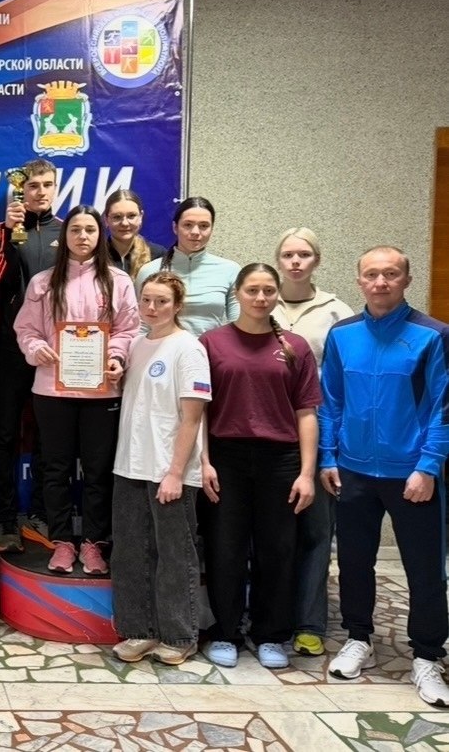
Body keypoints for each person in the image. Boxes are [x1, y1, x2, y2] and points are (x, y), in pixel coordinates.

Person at [320, 246, 449, 707]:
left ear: (406, 280)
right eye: (372, 275)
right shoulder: (342, 334)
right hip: (352, 471)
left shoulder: (433, 335)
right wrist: (327, 457)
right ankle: (359, 638)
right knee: (355, 562)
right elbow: (330, 401)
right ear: (359, 280)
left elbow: (443, 407)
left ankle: (427, 656)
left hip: (412, 475)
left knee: (425, 569)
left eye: (390, 274)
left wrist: (428, 466)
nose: (380, 282)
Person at [198, 263, 319, 670]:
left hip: (280, 461)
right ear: (238, 293)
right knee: (225, 548)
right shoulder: (211, 343)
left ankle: (271, 634)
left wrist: (306, 473)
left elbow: (306, 412)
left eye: (269, 290)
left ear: (277, 294)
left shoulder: (295, 347)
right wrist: (204, 461)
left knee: (277, 550)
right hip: (225, 457)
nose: (261, 297)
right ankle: (226, 631)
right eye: (252, 290)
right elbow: (198, 410)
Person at [13, 205, 139, 575]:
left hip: (102, 393)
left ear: (100, 236)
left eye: (90, 230)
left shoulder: (118, 281)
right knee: (55, 469)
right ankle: (63, 542)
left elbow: (129, 330)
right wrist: (36, 348)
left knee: (98, 470)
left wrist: (116, 357)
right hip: (52, 391)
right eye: (75, 230)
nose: (82, 236)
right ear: (64, 236)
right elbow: (26, 329)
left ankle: (95, 543)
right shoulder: (43, 282)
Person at [111, 271, 210, 666]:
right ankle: (140, 630)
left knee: (174, 555)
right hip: (130, 465)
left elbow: (192, 417)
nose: (152, 308)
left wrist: (175, 472)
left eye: (162, 301)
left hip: (169, 471)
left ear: (177, 305)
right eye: (147, 300)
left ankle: (179, 635)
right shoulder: (136, 345)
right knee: (131, 553)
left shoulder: (189, 348)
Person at [271, 228, 354, 658]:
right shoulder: (261, 301)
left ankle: (309, 623)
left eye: (304, 254)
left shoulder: (336, 311)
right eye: (288, 254)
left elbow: (341, 381)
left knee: (316, 531)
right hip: (267, 430)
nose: (295, 261)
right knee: (269, 531)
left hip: (318, 429)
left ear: (316, 260)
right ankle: (267, 615)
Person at [0, 158, 64, 552]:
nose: (40, 192)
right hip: (9, 349)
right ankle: (5, 519)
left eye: (47, 185)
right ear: (20, 190)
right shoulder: (0, 232)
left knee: (50, 436)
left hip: (54, 351)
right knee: (3, 434)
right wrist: (7, 233)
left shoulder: (67, 232)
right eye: (32, 185)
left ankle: (40, 515)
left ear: (56, 188)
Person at [136, 196, 238, 337]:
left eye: (204, 226)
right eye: (188, 225)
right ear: (175, 227)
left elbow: (237, 324)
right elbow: (141, 325)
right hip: (161, 349)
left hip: (211, 350)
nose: (195, 232)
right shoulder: (150, 271)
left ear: (212, 229)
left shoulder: (230, 270)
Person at [104, 189, 167, 280]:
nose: (125, 223)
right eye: (117, 217)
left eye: (131, 216)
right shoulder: (95, 255)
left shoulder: (158, 255)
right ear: (106, 220)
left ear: (141, 217)